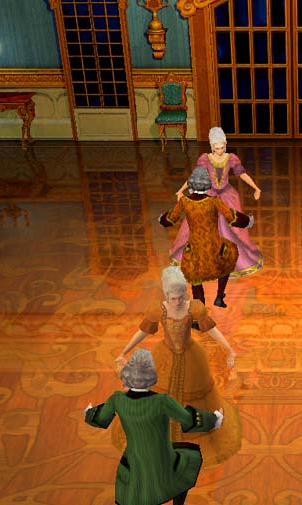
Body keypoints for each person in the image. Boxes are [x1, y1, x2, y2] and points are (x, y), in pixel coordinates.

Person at [84, 349, 224, 505]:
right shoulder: (162, 401)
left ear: (127, 376)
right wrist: (214, 419)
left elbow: (99, 419)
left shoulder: (117, 400)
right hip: (164, 461)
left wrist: (89, 412)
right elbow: (189, 419)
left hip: (136, 468)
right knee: (187, 461)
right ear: (151, 376)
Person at [116, 266, 242, 466]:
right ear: (166, 295)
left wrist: (229, 350)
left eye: (181, 297)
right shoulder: (159, 310)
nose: (177, 302)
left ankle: (193, 435)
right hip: (164, 358)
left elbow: (212, 330)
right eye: (173, 298)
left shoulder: (194, 308)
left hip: (191, 358)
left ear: (186, 293)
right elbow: (143, 332)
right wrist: (124, 351)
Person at [174, 126, 264, 278]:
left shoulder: (231, 158)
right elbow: (196, 177)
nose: (220, 151)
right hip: (209, 195)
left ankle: (232, 260)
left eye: (222, 147)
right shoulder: (205, 159)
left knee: (231, 228)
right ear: (211, 146)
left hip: (228, 196)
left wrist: (256, 187)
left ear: (226, 144)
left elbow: (242, 174)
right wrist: (181, 190)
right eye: (217, 148)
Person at [162, 166, 255, 308]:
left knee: (195, 278)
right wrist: (247, 221)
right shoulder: (214, 201)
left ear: (192, 184)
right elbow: (232, 217)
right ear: (207, 184)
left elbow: (170, 219)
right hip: (215, 248)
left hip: (194, 250)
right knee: (228, 255)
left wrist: (161, 219)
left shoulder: (184, 202)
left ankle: (199, 310)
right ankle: (219, 296)